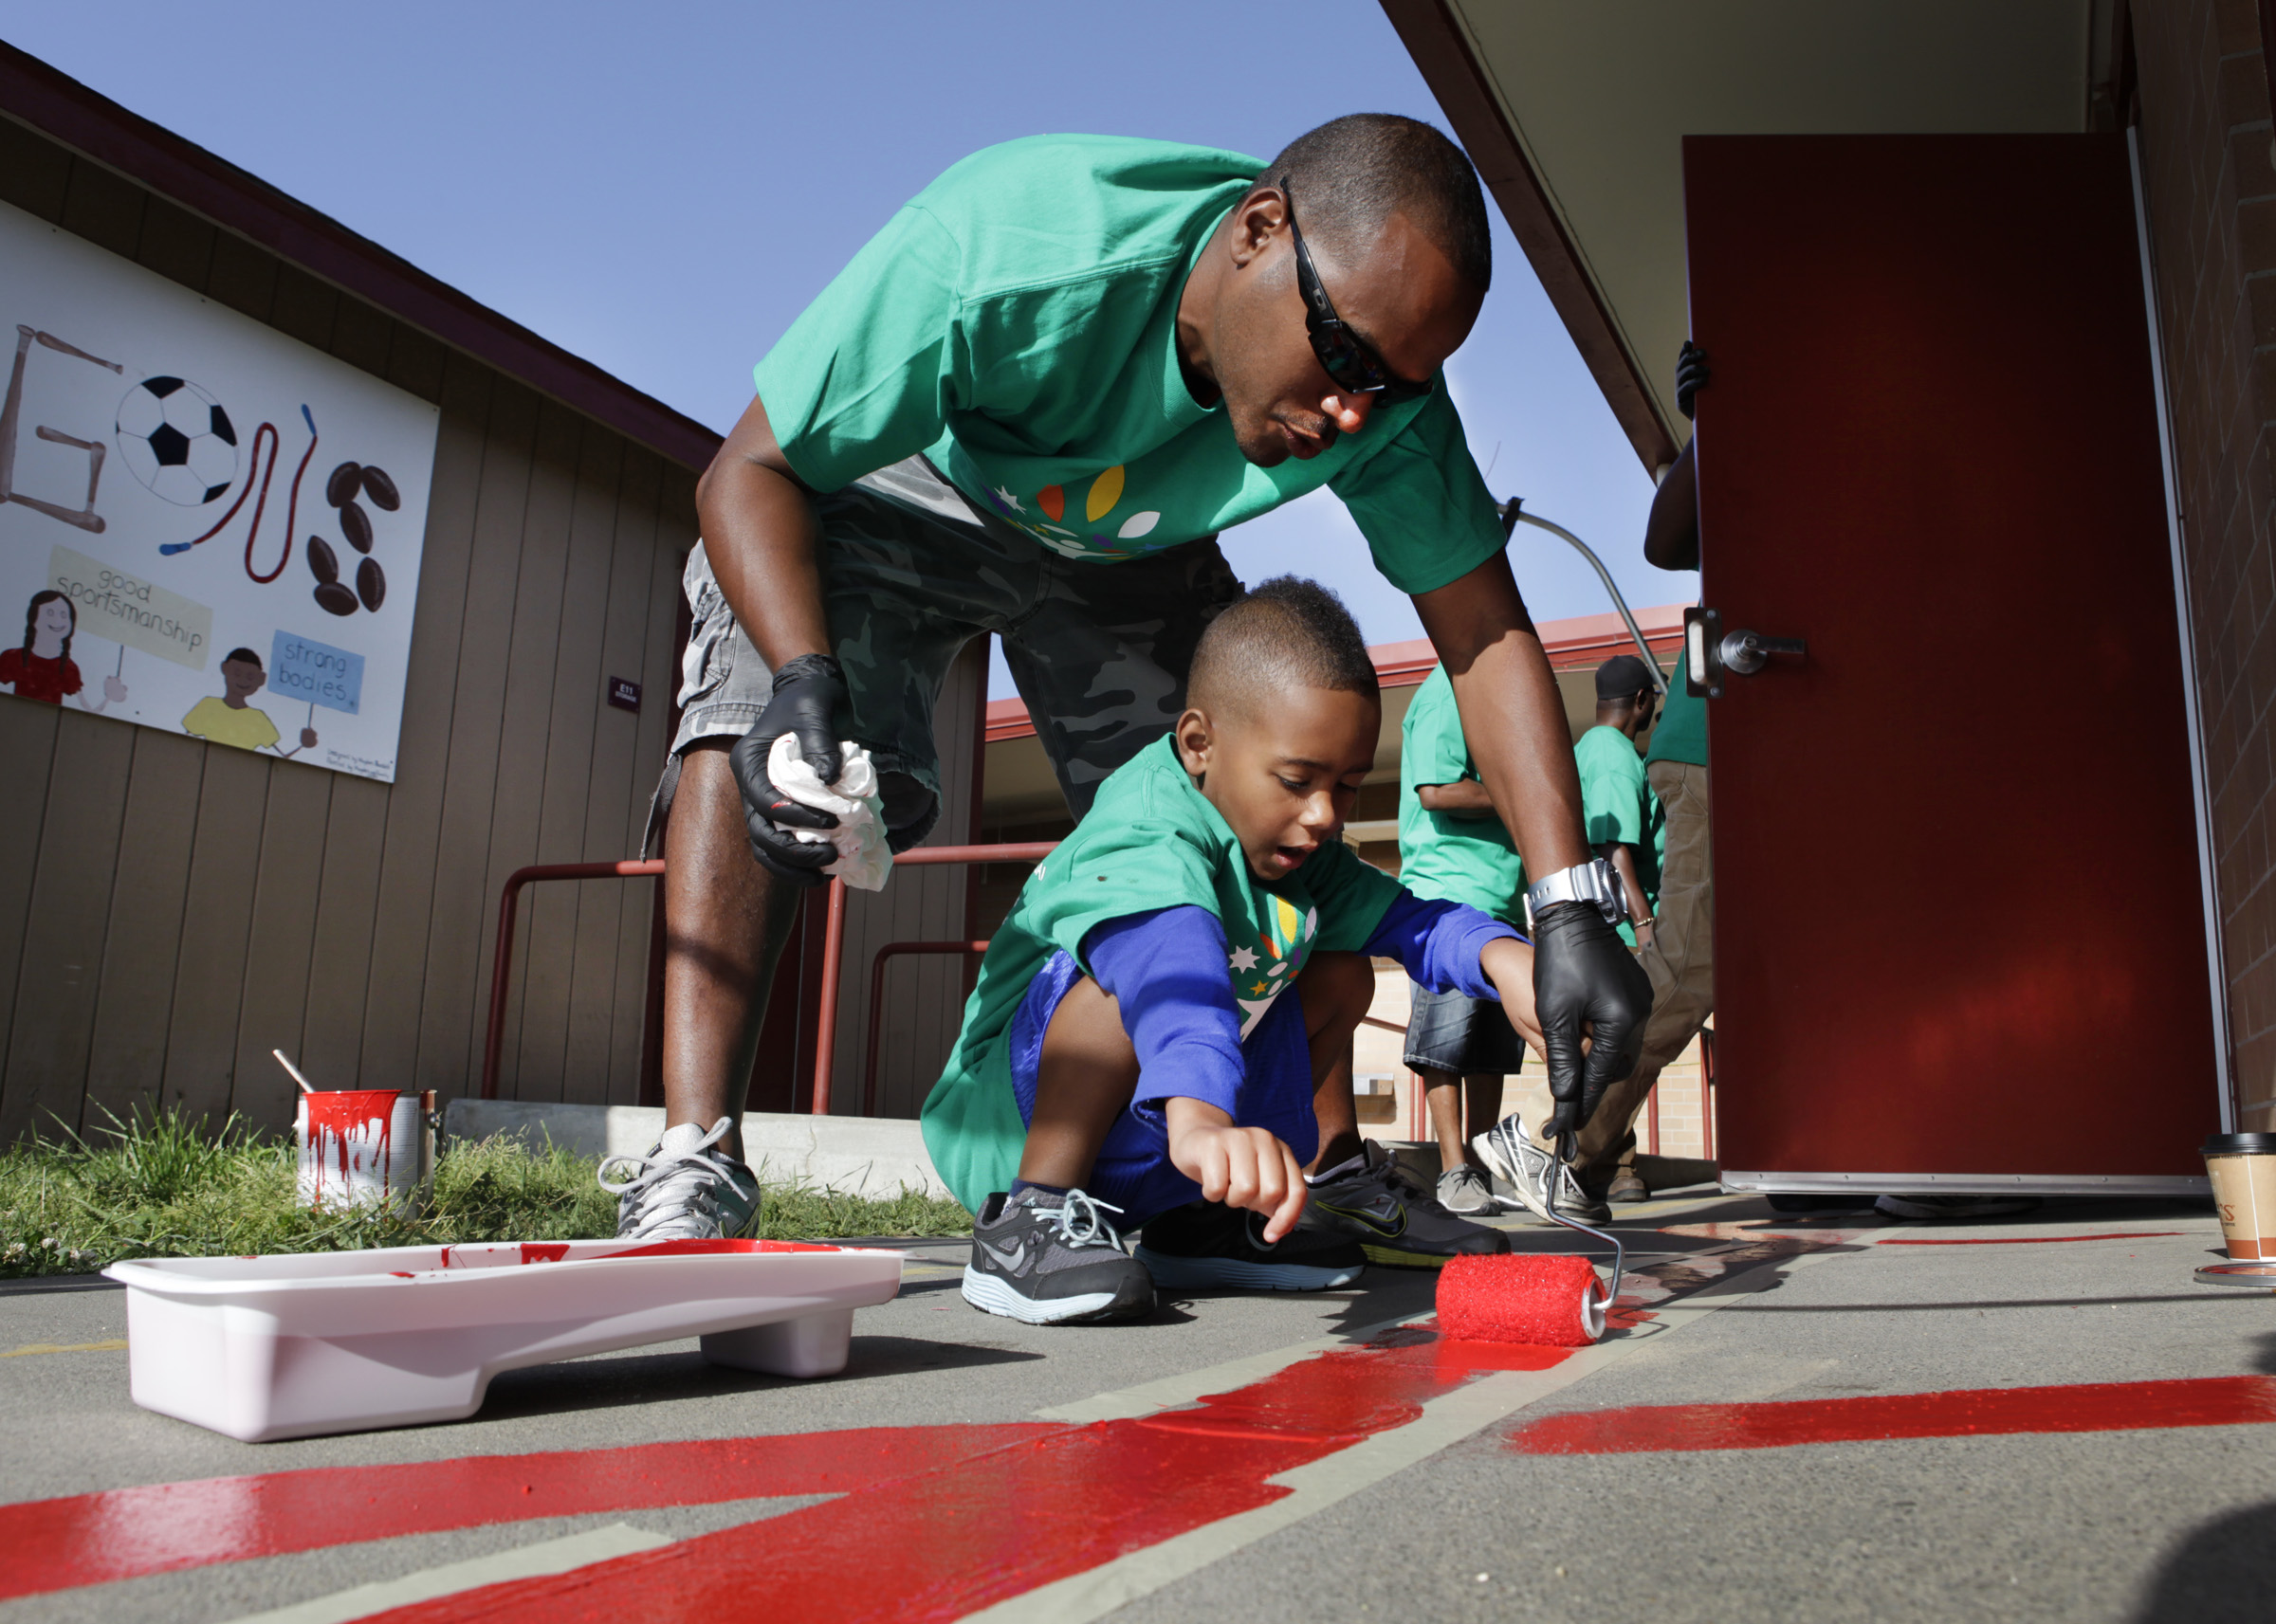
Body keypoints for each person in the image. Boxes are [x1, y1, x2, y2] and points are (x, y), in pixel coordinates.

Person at [608, 115, 1650, 1243]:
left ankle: (1316, 1156)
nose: (1356, 409)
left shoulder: (1381, 390)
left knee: (1261, 805)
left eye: (1397, 385)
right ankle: (696, 1157)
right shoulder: (1010, 251)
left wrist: (1565, 910)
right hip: (912, 488)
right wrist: (807, 679)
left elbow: (1484, 632)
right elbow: (748, 470)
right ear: (1259, 231)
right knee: (758, 718)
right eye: (1343, 358)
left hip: (1123, 544)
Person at [923, 579, 1539, 1323]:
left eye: (1346, 787)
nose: (1323, 816)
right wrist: (1204, 1115)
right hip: (1009, 1126)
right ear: (1198, 744)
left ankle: (1196, 1221)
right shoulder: (1149, 824)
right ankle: (1027, 1222)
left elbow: (1412, 920)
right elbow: (1169, 965)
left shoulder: (1298, 854)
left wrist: (1508, 959)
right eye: (1297, 780)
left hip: (1173, 1136)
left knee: (1342, 972)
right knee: (1127, 976)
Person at [1394, 660, 1528, 1216]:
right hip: (1448, 895)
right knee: (1443, 1046)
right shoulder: (1447, 688)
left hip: (1498, 897)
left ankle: (1481, 1167)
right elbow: (1436, 789)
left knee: (1492, 1051)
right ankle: (1453, 1172)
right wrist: (1522, 796)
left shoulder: (1485, 692)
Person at [181, 648, 318, 757]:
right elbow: (181, 742)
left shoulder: (258, 719)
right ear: (225, 669)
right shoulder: (208, 706)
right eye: (237, 673)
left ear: (261, 679)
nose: (243, 680)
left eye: (250, 676)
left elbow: (283, 757)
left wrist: (304, 745)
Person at [2, 592, 125, 713]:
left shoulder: (68, 668)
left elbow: (88, 710)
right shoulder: (13, 658)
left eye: (63, 615)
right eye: (50, 613)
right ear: (33, 617)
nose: (57, 620)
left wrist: (109, 696)